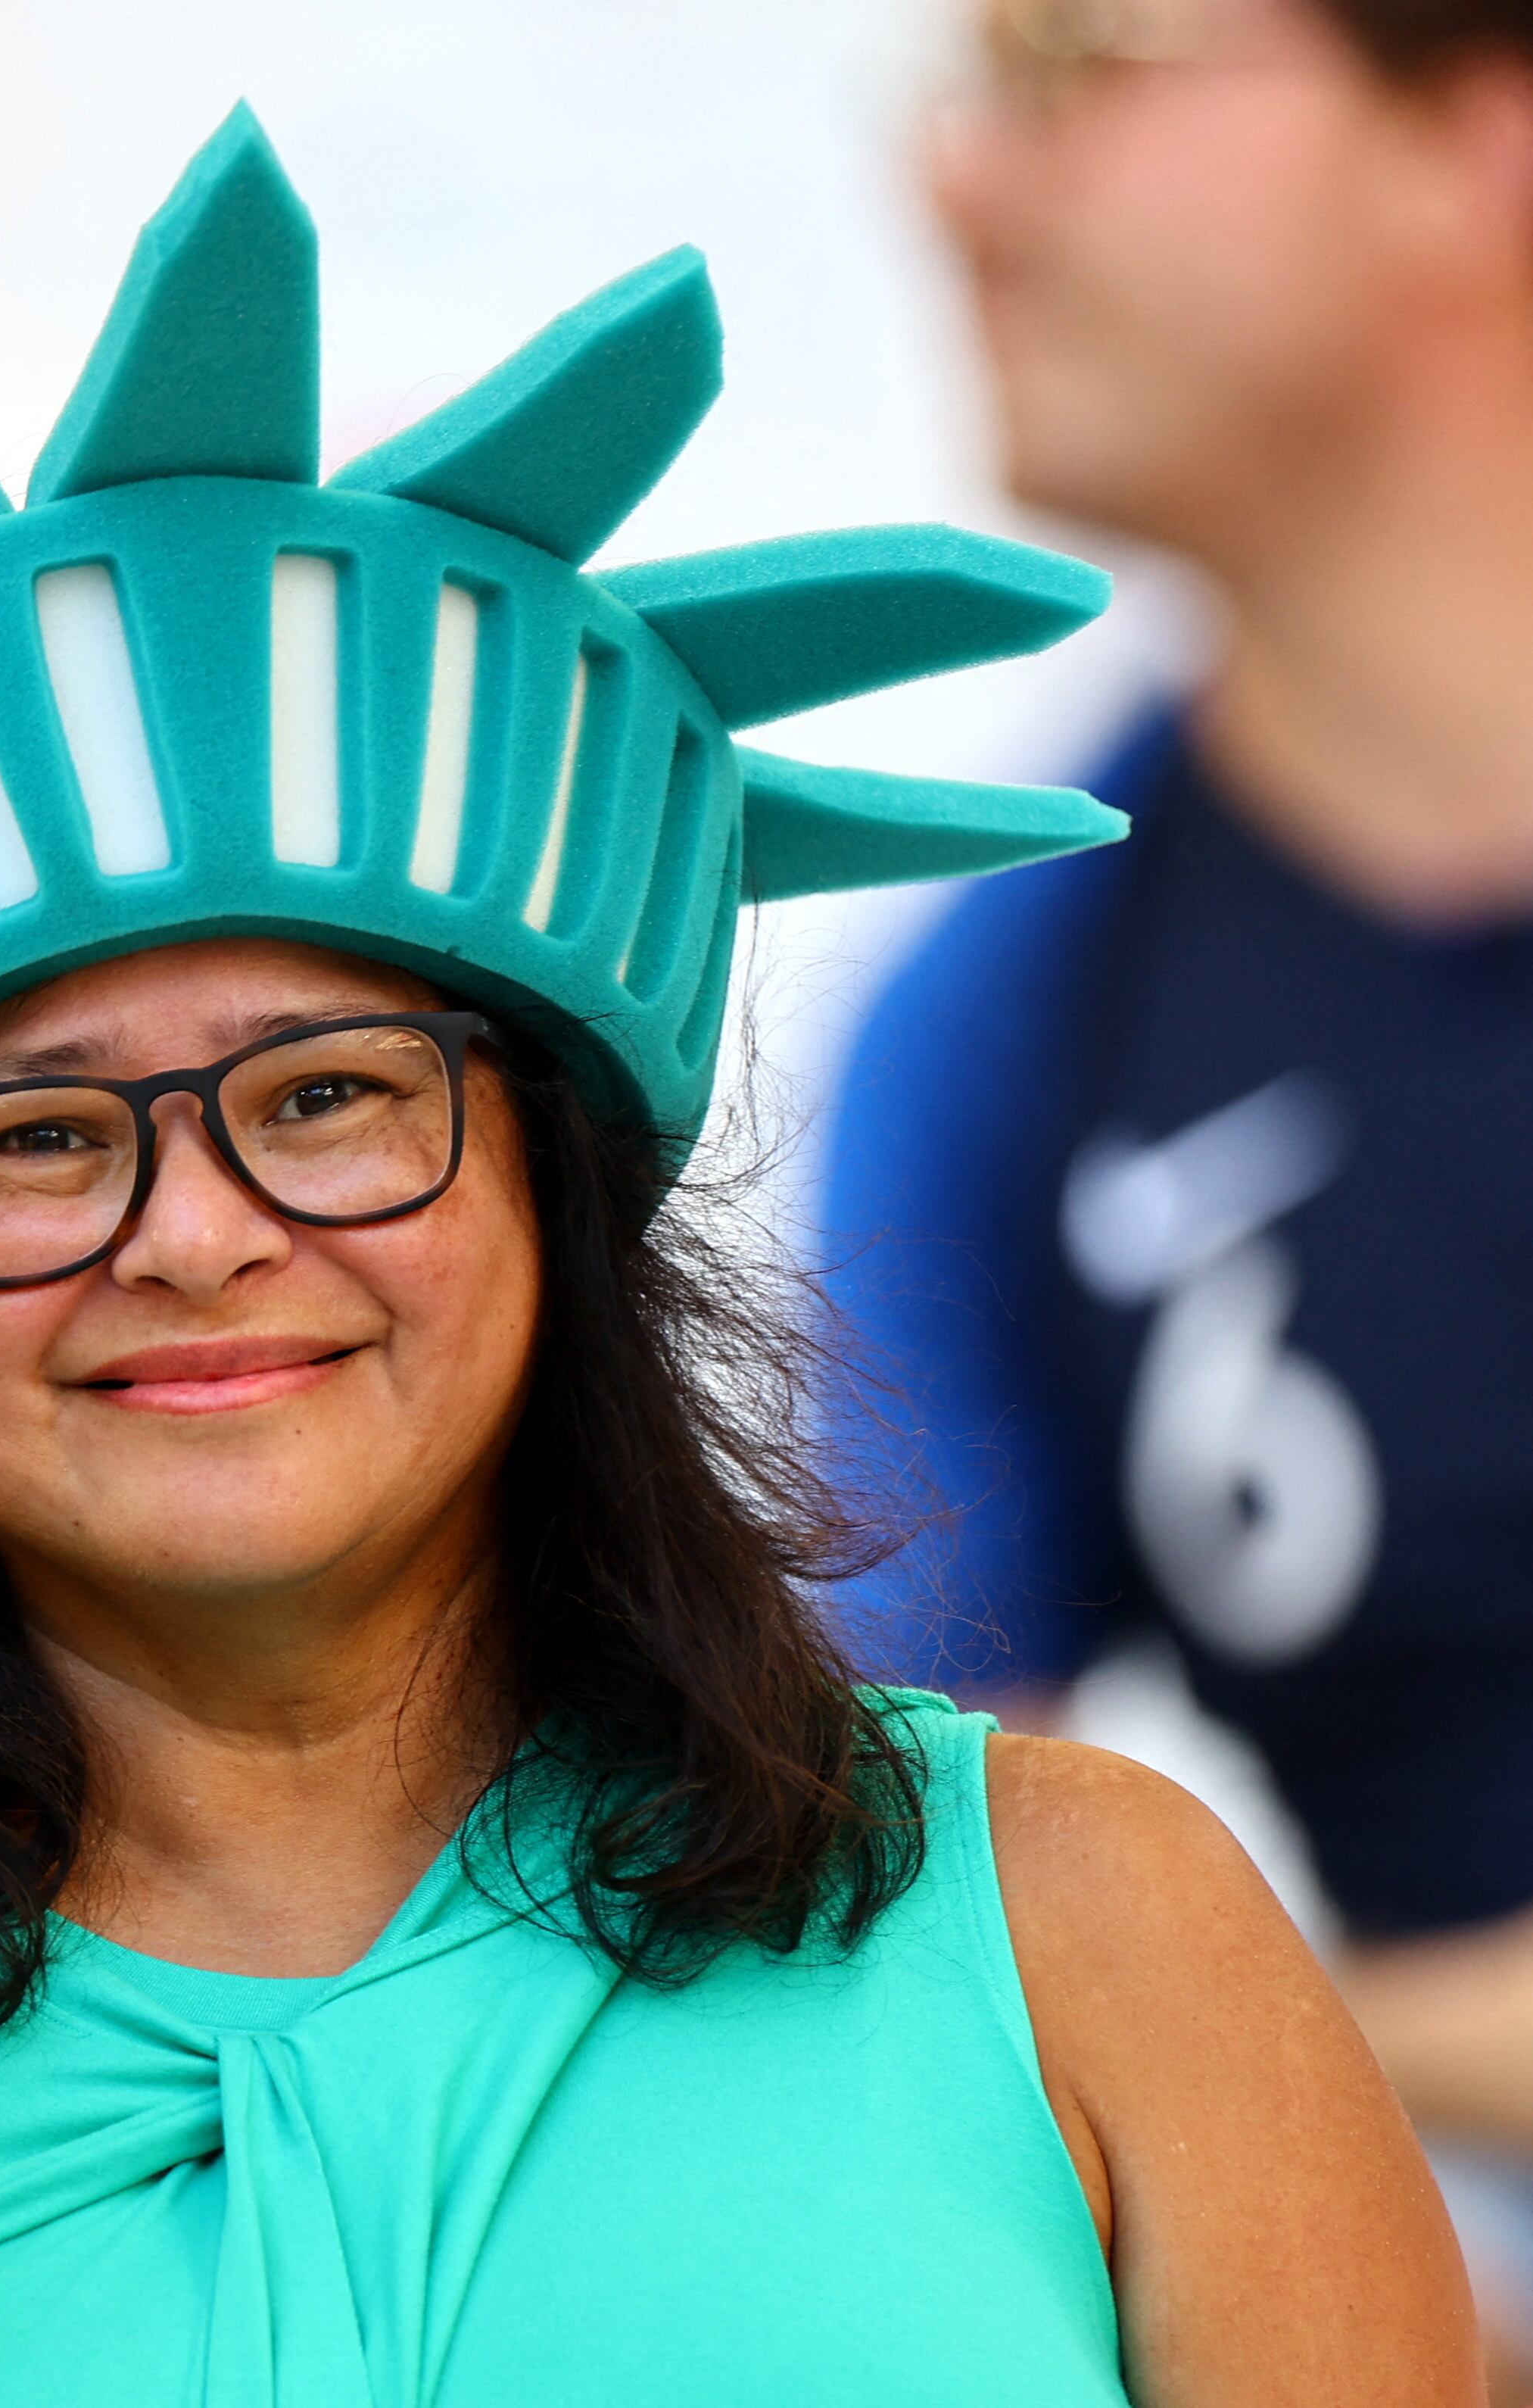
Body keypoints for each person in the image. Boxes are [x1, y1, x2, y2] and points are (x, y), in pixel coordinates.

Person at [0, 109, 1481, 2397]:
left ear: (546, 1183)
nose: (190, 1231)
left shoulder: (1096, 1934)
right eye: (35, 1140)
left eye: (328, 1101)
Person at [827, 0, 1533, 2366]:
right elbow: (870, 1939)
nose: (952, 182)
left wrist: (1280, 2027)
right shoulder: (1012, 1012)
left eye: (1071, 66)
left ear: (1473, 128)